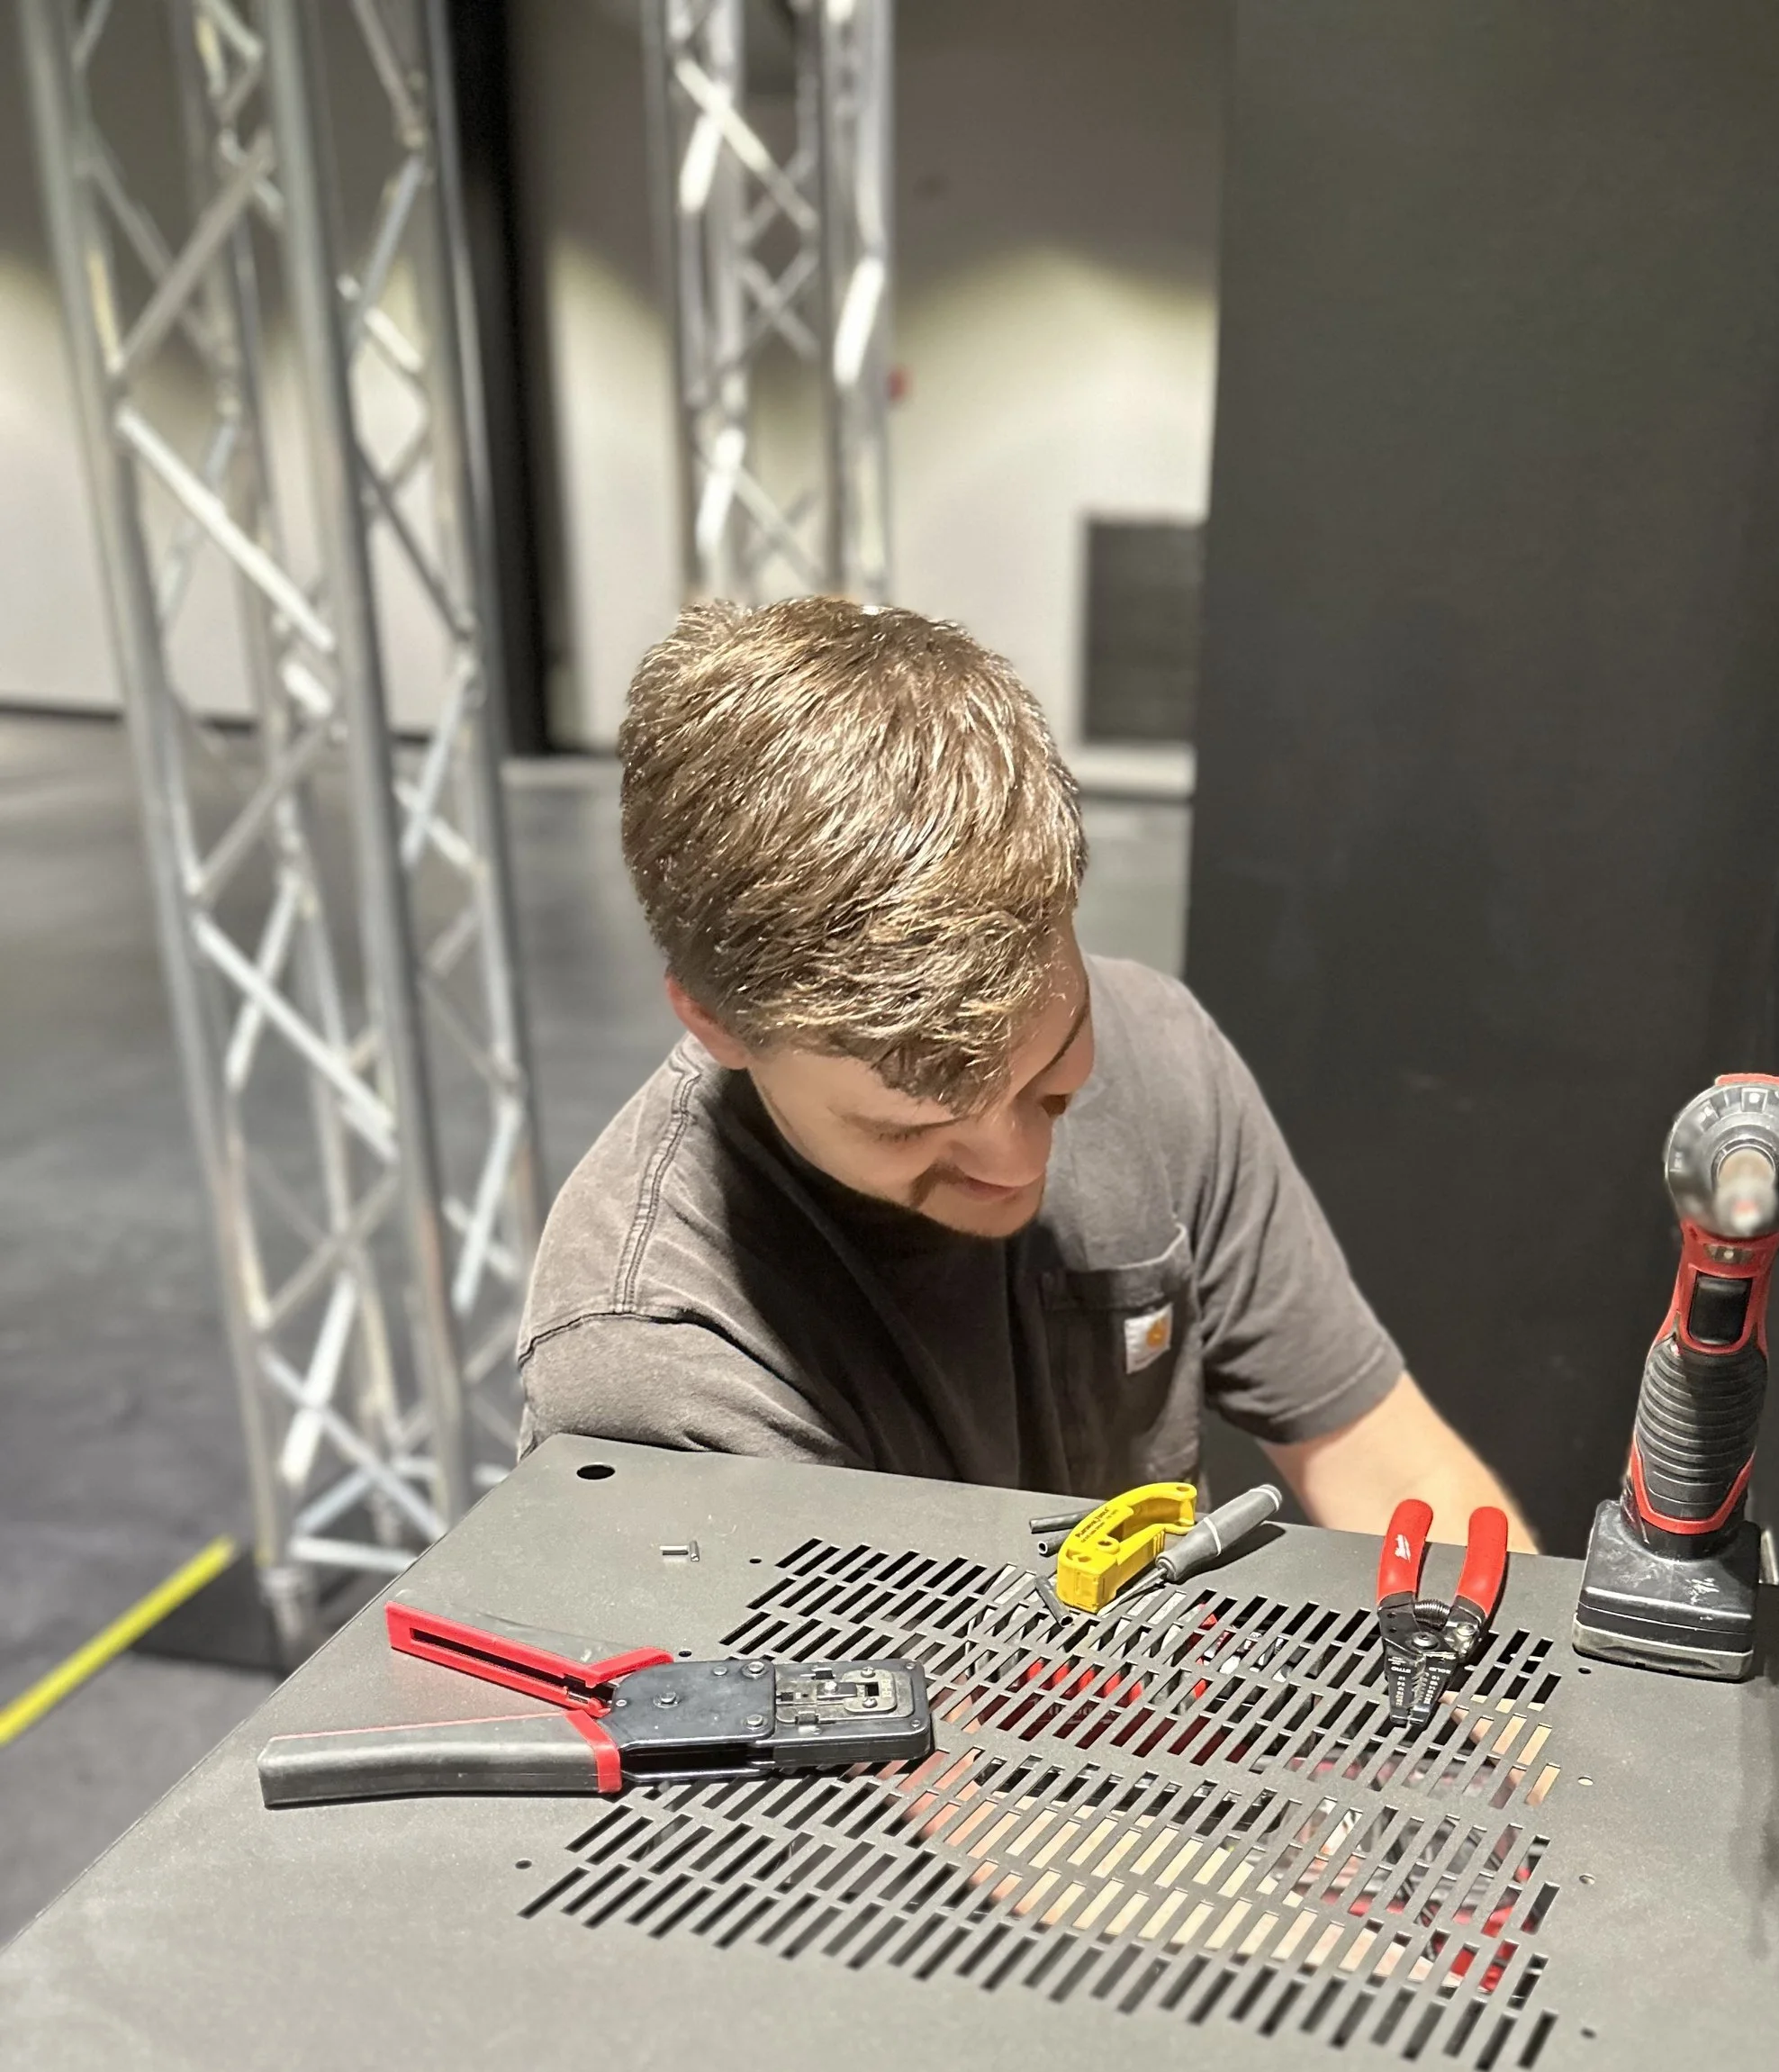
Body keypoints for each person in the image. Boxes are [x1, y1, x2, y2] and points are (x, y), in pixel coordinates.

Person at [517, 596, 1532, 1545]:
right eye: (907, 1130)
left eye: (1050, 1074)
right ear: (716, 1027)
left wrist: (1532, 1726)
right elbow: (859, 1729)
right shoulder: (651, 1359)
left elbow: (1380, 1456)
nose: (1013, 1160)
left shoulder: (1158, 1051)